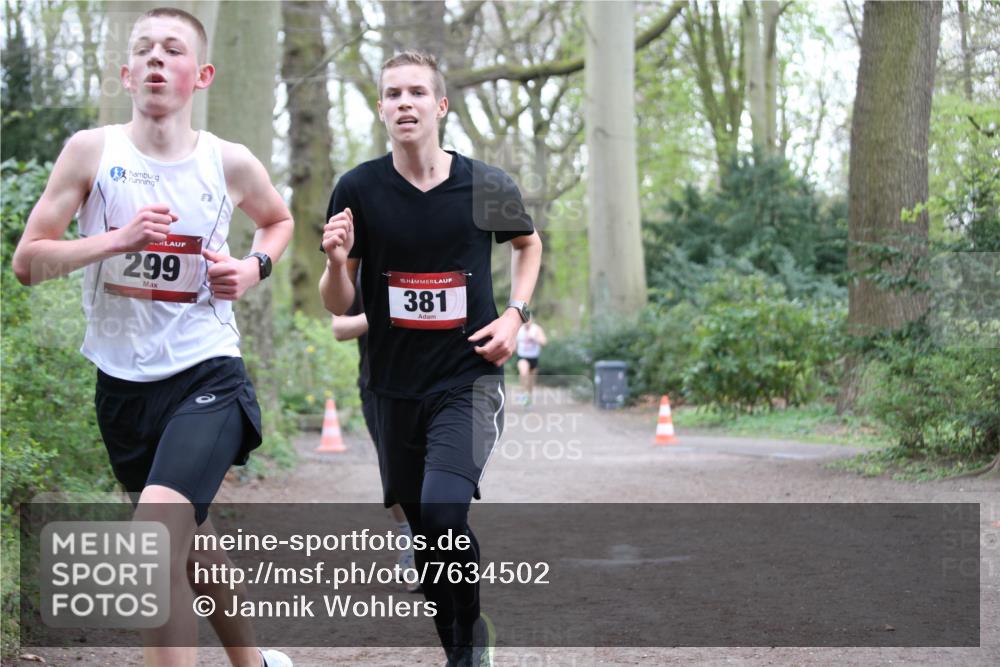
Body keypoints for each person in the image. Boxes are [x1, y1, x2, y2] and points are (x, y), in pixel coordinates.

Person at [12, 8, 293, 667]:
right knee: (189, 540)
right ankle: (253, 664)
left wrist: (253, 267)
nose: (157, 58)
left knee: (154, 541)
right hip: (122, 387)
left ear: (202, 75)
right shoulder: (91, 152)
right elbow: (28, 262)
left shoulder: (229, 161)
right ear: (126, 73)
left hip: (207, 373)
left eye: (172, 49)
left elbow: (277, 220)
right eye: (144, 50)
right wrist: (116, 239)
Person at [318, 52, 543, 667]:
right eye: (393, 94)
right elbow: (338, 306)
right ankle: (462, 641)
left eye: (417, 92)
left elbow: (528, 245)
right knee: (426, 536)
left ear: (440, 105)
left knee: (445, 514)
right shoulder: (358, 190)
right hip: (391, 388)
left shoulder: (485, 185)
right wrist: (336, 263)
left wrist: (515, 314)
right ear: (381, 109)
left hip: (467, 379)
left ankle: (466, 649)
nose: (405, 103)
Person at [330, 272, 420, 593]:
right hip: (377, 385)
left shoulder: (432, 261)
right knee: (394, 471)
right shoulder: (359, 273)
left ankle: (438, 544)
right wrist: (383, 312)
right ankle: (410, 543)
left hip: (434, 382)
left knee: (435, 468)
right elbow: (339, 328)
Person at [515, 321, 547, 406]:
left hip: (534, 358)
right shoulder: (519, 329)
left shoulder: (536, 329)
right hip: (522, 357)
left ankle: (528, 397)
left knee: (531, 383)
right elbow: (514, 342)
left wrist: (535, 338)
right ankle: (523, 394)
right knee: (523, 373)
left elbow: (544, 342)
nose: (527, 322)